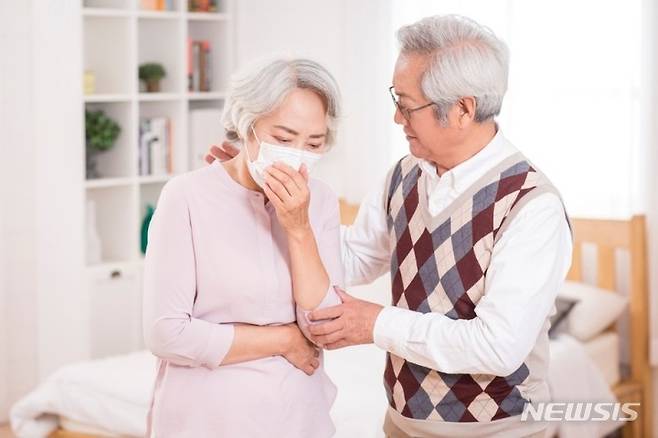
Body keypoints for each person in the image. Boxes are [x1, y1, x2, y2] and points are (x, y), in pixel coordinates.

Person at [208, 15, 572, 438]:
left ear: (462, 110)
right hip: (401, 423)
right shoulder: (405, 175)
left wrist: (376, 323)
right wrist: (262, 197)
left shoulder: (532, 206)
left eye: (406, 104)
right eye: (395, 98)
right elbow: (348, 259)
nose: (397, 118)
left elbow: (498, 345)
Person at [143, 57, 344, 438]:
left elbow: (326, 326)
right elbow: (165, 333)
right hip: (206, 421)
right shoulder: (186, 196)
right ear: (246, 123)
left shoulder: (320, 200)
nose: (297, 154)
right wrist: (282, 339)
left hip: (299, 418)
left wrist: (298, 230)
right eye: (283, 139)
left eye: (313, 143)